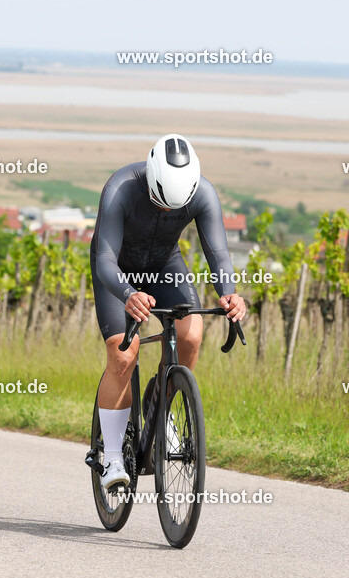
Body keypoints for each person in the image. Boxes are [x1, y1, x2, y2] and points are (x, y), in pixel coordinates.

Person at [90, 134, 246, 489]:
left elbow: (219, 254)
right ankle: (112, 455)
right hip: (115, 269)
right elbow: (104, 259)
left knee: (191, 334)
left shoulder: (203, 193)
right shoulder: (120, 188)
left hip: (163, 264)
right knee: (123, 353)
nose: (166, 213)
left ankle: (161, 407)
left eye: (174, 208)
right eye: (160, 204)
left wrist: (229, 294)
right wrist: (128, 293)